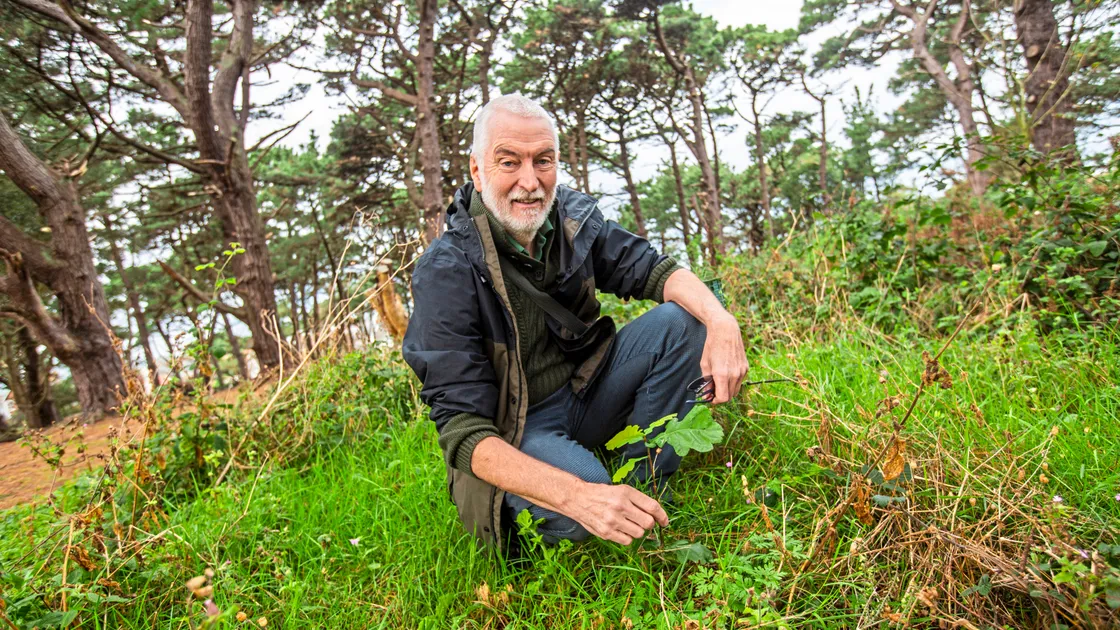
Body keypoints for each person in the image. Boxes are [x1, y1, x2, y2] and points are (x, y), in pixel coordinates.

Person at [402, 94, 748, 551]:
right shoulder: (446, 271)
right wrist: (578, 496)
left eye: (543, 160)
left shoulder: (571, 219)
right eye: (509, 162)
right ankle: (597, 495)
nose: (531, 181)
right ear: (477, 170)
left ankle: (643, 487)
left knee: (686, 321)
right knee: (582, 504)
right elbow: (464, 433)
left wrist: (722, 322)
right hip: (517, 428)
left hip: (586, 388)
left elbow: (654, 271)